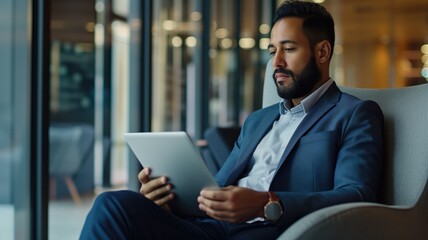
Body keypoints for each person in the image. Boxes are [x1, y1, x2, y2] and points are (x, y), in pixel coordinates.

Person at [80, 0, 384, 239]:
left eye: (289, 49)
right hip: (212, 229)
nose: (276, 62)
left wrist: (266, 203)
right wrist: (171, 197)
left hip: (274, 231)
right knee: (113, 206)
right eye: (272, 50)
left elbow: (356, 195)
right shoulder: (258, 121)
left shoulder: (354, 114)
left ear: (322, 52)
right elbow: (219, 186)